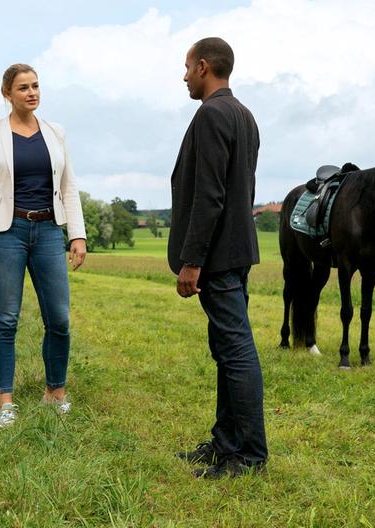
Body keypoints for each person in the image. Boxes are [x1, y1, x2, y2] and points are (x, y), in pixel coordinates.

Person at [0, 63, 87, 428]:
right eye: (23, 88)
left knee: (60, 319)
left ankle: (56, 391)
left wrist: (77, 234)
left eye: (35, 86)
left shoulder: (56, 133)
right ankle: (6, 399)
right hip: (6, 232)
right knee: (6, 319)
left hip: (49, 230)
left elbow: (68, 186)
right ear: (7, 94)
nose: (31, 92)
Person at [170, 37, 267, 479]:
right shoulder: (244, 115)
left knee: (236, 350)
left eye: (188, 67)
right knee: (227, 349)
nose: (184, 75)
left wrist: (193, 261)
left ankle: (247, 456)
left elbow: (210, 195)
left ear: (204, 67)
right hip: (237, 249)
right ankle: (225, 442)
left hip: (218, 257)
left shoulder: (212, 114)